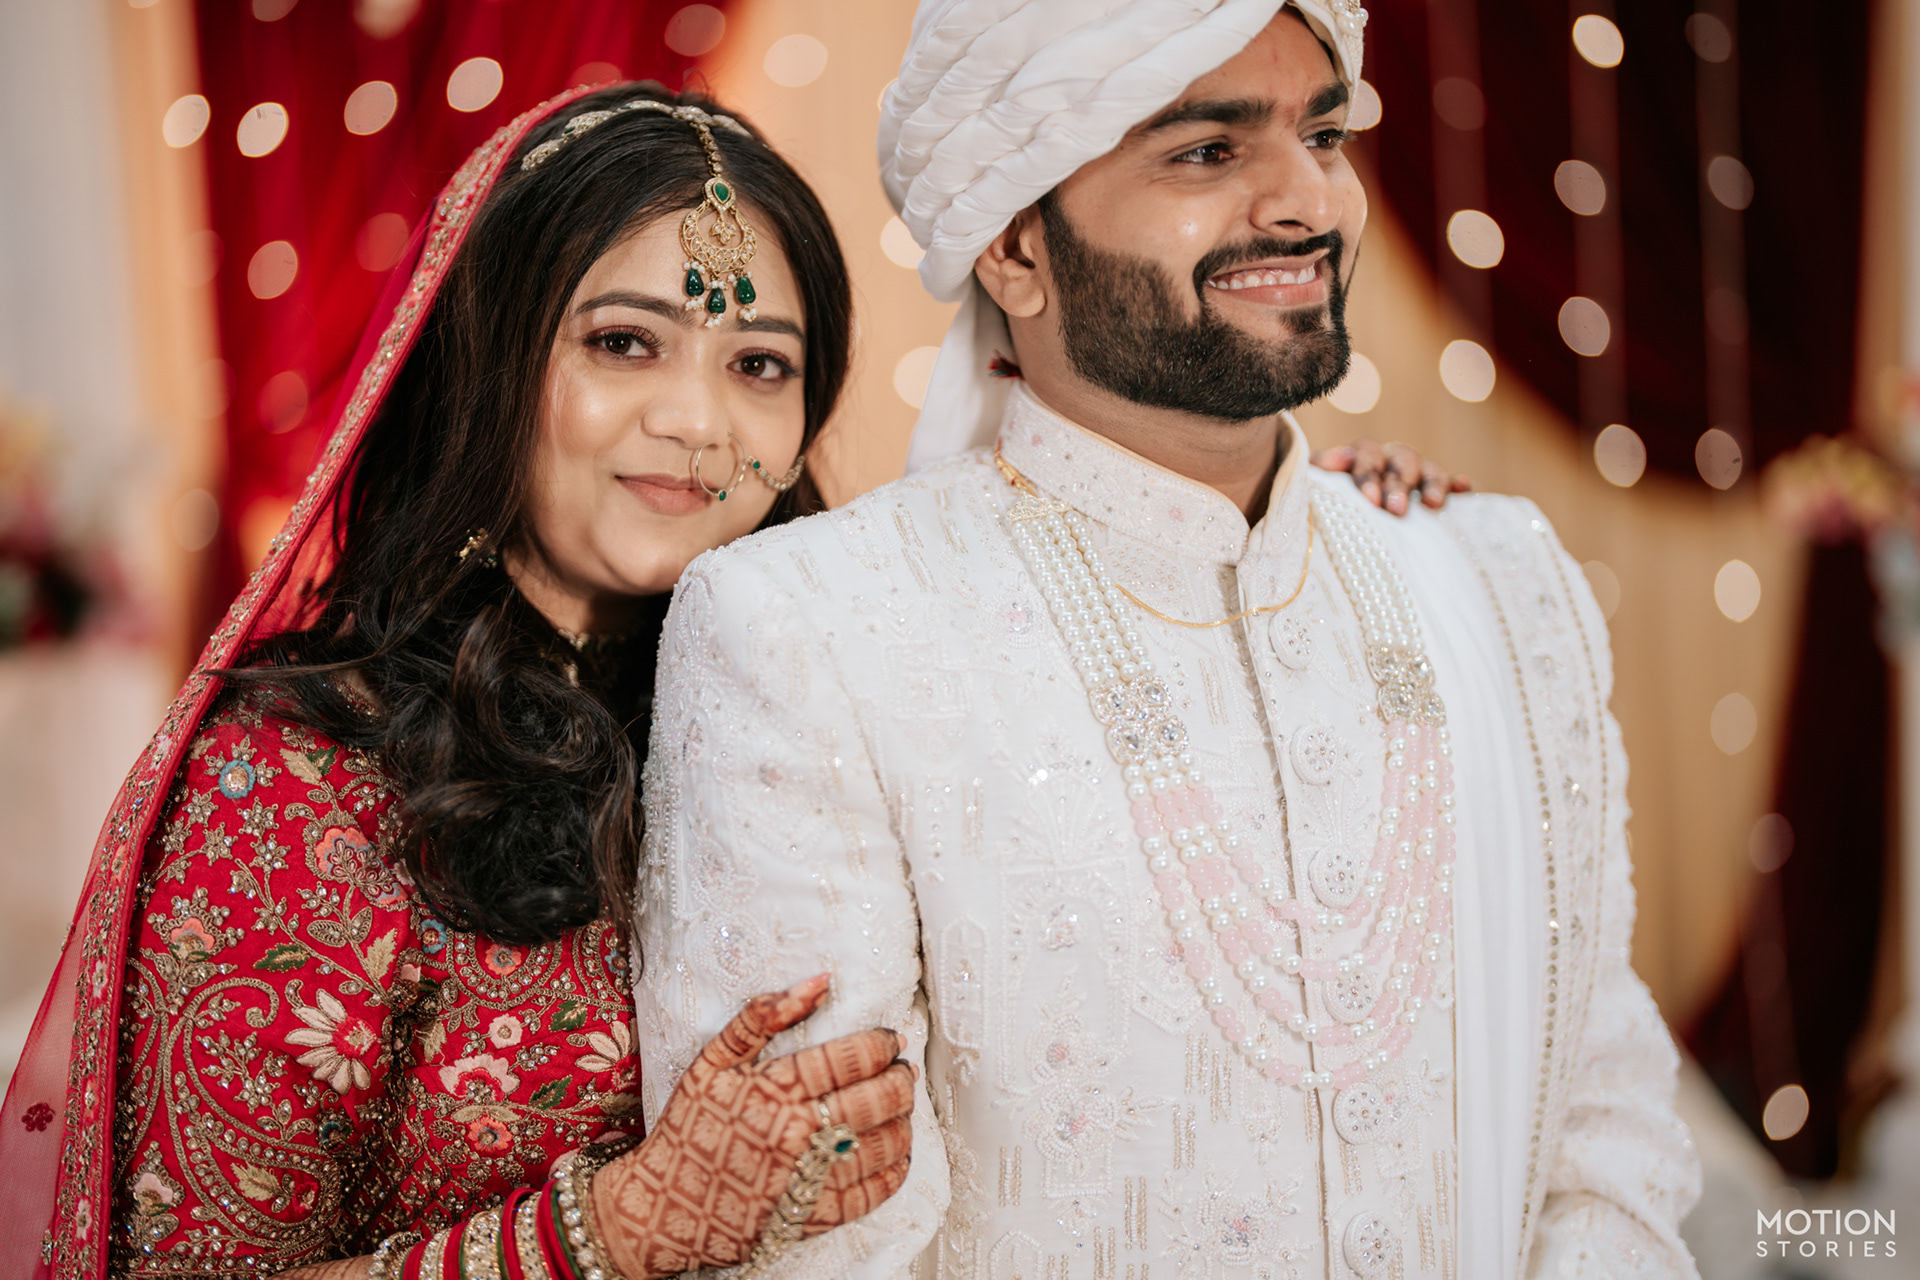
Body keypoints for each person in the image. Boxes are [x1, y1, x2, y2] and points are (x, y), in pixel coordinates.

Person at [0, 77, 1445, 1280]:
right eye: (624, 343)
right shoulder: (301, 780)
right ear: (489, 361)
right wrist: (608, 1230)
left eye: (760, 365)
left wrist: (1318, 537)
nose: (697, 423)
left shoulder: (835, 698)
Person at [632, 4, 1701, 1279]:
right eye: (1206, 150)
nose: (1310, 200)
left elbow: (1603, 1115)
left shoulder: (1501, 582)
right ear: (1015, 245)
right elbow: (813, 1244)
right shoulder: (810, 628)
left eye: (1324, 134)